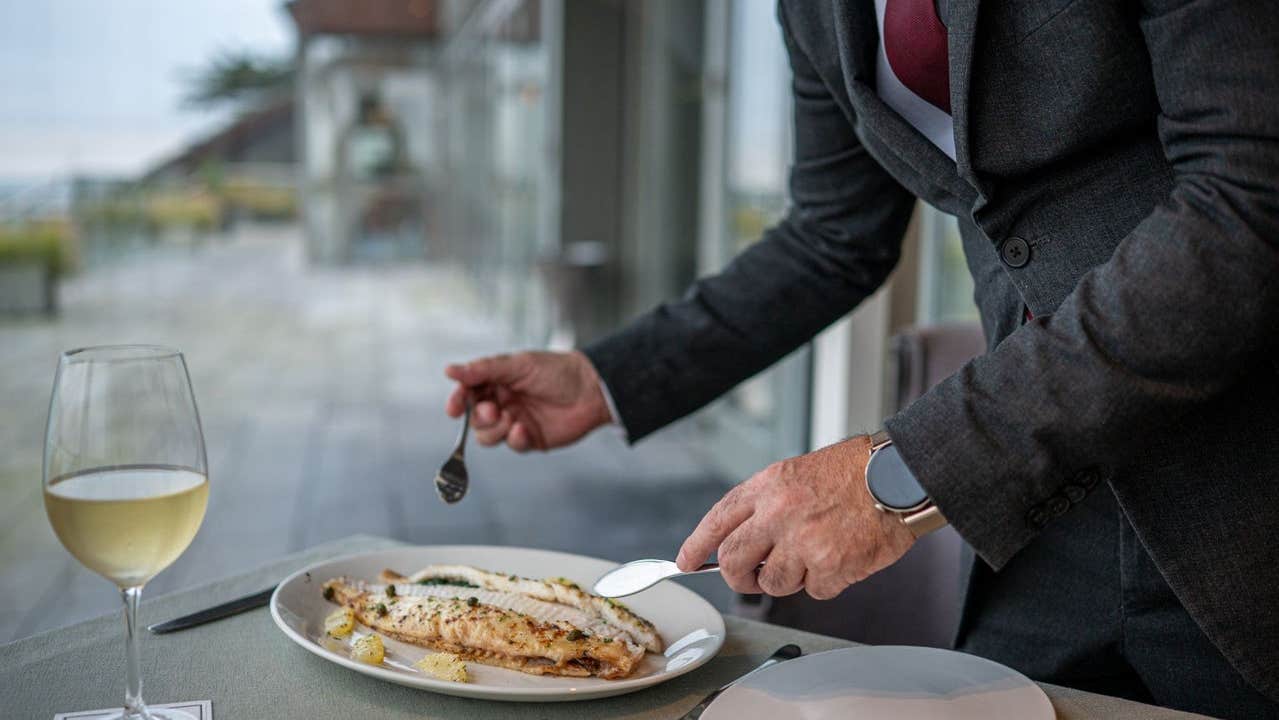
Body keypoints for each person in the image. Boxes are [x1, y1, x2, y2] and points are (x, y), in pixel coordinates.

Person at [444, 1, 1279, 717]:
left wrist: (902, 475)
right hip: (1043, 505)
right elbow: (832, 235)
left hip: (1244, 495)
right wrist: (606, 376)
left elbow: (1248, 200)